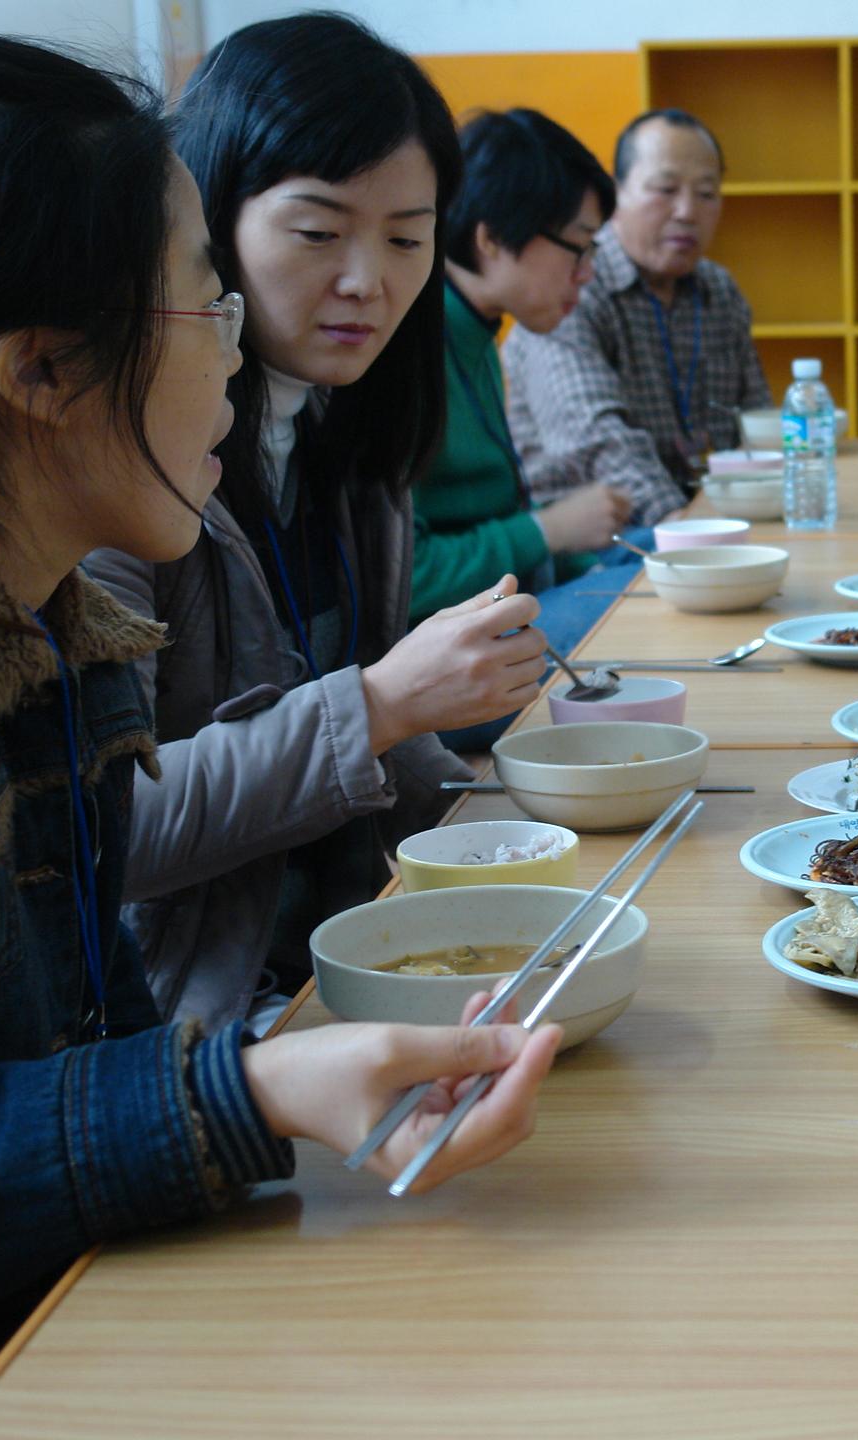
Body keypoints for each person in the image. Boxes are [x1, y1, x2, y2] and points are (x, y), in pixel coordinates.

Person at [0, 35, 558, 1435]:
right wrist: (243, 1091)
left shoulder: (40, 602)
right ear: (43, 369)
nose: (236, 354)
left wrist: (251, 1092)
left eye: (405, 236)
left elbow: (89, 1036)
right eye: (205, 299)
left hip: (69, 1298)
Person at [86, 13, 546, 1027]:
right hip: (195, 1024)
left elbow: (370, 718)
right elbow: (108, 830)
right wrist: (382, 702)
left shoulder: (347, 443)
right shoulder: (117, 468)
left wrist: (512, 821)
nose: (366, 281)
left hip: (354, 950)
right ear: (205, 218)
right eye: (317, 232)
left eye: (406, 240)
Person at [414, 108, 633, 636]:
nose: (587, 273)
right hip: (447, 636)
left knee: (665, 559)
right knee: (657, 601)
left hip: (508, 593)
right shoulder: (410, 348)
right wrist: (547, 529)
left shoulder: (476, 329)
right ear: (491, 237)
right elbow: (408, 577)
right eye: (578, 247)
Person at [503, 107, 771, 527]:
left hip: (710, 520)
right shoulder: (572, 286)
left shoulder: (718, 290)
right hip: (602, 539)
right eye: (665, 189)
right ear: (615, 196)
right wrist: (678, 522)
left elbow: (756, 421)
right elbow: (596, 437)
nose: (687, 211)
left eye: (706, 193)